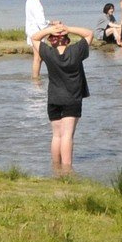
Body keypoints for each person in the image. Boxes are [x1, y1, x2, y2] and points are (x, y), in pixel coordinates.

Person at [33, 19, 91, 171]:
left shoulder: (48, 53)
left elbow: (34, 38)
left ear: (52, 40)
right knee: (67, 135)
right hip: (72, 98)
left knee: (56, 135)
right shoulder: (76, 51)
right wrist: (68, 27)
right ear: (67, 39)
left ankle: (56, 168)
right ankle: (66, 169)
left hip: (53, 98)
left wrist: (50, 30)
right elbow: (89, 34)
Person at [23, 0, 50, 80]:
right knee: (38, 57)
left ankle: (36, 77)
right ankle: (35, 79)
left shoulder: (30, 0)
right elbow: (41, 22)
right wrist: (49, 29)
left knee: (38, 57)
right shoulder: (36, 3)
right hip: (36, 32)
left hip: (32, 30)